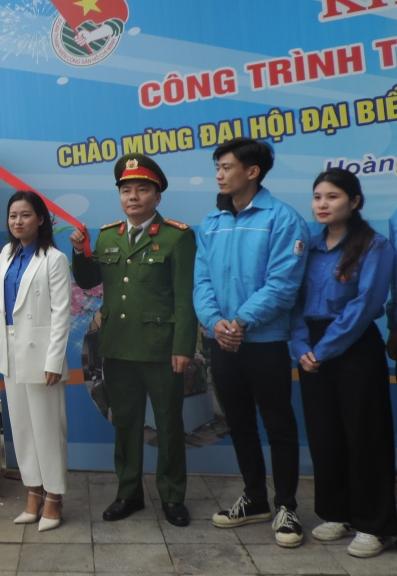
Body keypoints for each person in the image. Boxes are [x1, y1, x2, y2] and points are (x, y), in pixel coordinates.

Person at [193, 137, 309, 547]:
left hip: (265, 342)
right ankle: (255, 499)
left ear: (252, 172)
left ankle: (287, 506)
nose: (219, 174)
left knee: (279, 425)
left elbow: (283, 285)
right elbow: (202, 281)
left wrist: (240, 321)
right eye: (218, 168)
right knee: (238, 423)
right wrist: (215, 322)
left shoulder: (283, 219)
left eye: (226, 167)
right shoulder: (211, 222)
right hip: (222, 342)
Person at [70, 154, 197, 527]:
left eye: (143, 190)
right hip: (119, 348)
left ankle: (173, 497)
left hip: (161, 350)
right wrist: (80, 252)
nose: (134, 197)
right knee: (125, 424)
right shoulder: (109, 235)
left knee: (170, 426)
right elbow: (88, 280)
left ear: (157, 197)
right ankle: (129, 494)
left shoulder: (178, 236)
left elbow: (184, 297)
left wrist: (182, 348)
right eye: (127, 190)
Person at [291, 168, 397, 558]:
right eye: (318, 196)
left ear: (354, 202)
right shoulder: (309, 247)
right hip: (311, 348)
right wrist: (301, 344)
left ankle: (376, 524)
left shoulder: (374, 245)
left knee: (364, 435)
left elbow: (366, 303)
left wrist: (324, 349)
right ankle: (338, 512)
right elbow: (295, 302)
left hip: (353, 347)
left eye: (332, 197)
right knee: (325, 433)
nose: (322, 203)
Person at [0, 190, 72, 532]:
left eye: (25, 215)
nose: (18, 222)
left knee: (48, 430)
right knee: (21, 430)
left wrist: (54, 360)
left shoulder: (54, 259)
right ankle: (33, 493)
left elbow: (62, 314)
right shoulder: (7, 255)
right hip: (11, 353)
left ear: (40, 219)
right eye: (12, 216)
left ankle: (54, 497)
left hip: (42, 355)